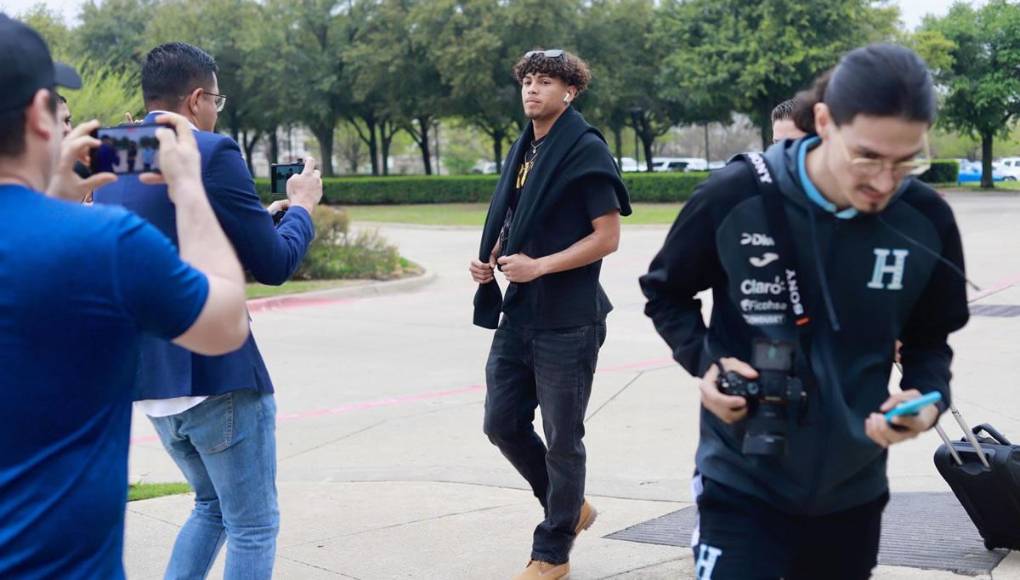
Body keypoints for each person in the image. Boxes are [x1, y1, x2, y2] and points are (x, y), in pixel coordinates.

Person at [640, 44, 969, 580]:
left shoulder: (925, 220)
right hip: (741, 478)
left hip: (854, 491)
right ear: (823, 121)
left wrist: (927, 401)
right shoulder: (734, 195)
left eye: (906, 161)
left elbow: (931, 340)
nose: (885, 182)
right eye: (867, 156)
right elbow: (665, 293)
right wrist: (708, 363)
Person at [0, 14, 249, 578]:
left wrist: (57, 197)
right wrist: (188, 187)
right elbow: (225, 322)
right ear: (42, 119)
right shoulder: (104, 246)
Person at [93, 42, 321, 580]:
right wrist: (303, 209)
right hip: (216, 374)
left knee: (211, 507)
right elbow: (274, 263)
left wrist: (254, 217)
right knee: (254, 525)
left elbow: (167, 231)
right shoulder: (212, 151)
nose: (217, 109)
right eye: (216, 99)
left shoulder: (114, 151)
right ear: (196, 98)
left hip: (151, 379)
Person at [470, 48, 631, 580]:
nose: (533, 90)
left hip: (569, 319)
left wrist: (541, 266)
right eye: (528, 81)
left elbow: (607, 237)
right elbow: (521, 217)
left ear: (571, 92)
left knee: (564, 437)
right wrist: (493, 253)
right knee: (501, 423)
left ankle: (552, 552)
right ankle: (569, 507)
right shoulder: (526, 150)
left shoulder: (584, 150)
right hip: (520, 315)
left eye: (546, 82)